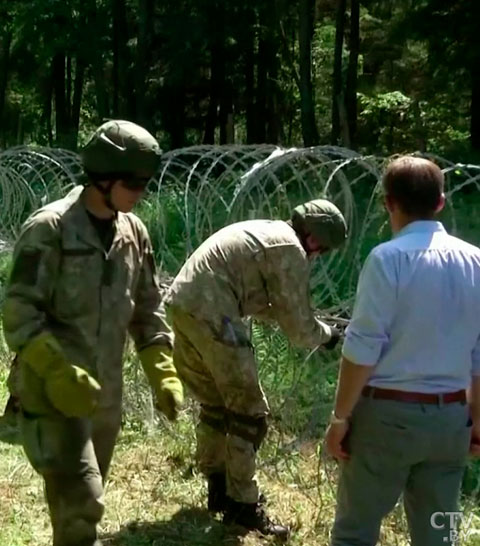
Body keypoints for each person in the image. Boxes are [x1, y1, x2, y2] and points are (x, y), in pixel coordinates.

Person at [2, 120, 182, 546]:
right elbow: (19, 312)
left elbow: (148, 308)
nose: (141, 192)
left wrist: (162, 369)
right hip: (53, 396)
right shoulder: (50, 229)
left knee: (80, 505)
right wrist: (58, 371)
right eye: (134, 182)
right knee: (83, 504)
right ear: (104, 178)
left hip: (104, 400)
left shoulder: (133, 234)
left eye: (146, 183)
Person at [165, 199, 348, 539]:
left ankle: (217, 487)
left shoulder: (268, 233)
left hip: (183, 306)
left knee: (217, 406)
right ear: (313, 238)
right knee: (249, 414)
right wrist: (330, 336)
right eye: (322, 249)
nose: (319, 256)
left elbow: (269, 304)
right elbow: (298, 327)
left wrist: (311, 323)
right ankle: (243, 507)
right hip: (214, 315)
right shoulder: (290, 249)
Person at [325, 156, 480, 546]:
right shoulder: (476, 261)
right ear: (441, 202)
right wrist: (476, 419)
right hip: (450, 421)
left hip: (388, 418)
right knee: (439, 533)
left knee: (355, 531)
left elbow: (362, 350)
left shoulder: (387, 259)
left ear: (388, 203)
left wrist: (341, 417)